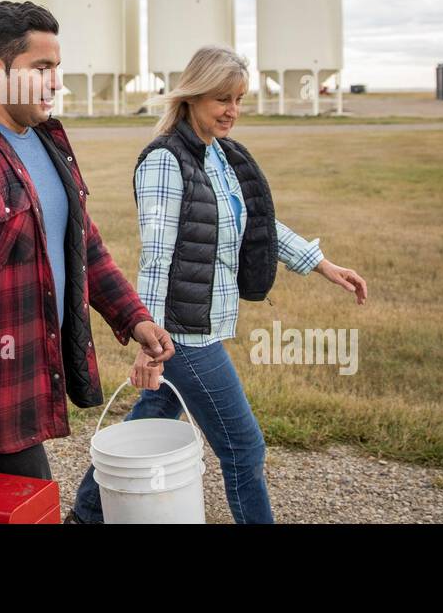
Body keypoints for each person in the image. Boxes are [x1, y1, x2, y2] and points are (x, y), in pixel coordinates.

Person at [69, 44, 368, 524]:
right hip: (184, 336)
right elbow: (157, 260)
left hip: (196, 327)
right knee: (244, 448)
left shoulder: (221, 155)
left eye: (239, 99)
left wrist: (323, 265)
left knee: (151, 418)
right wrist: (148, 341)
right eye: (221, 99)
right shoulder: (166, 161)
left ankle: (85, 515)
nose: (233, 111)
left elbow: (257, 223)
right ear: (191, 97)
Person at [0, 0, 174, 480]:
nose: (56, 82)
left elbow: (84, 245)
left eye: (57, 68)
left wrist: (134, 316)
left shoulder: (48, 143)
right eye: (42, 68)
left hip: (28, 391)